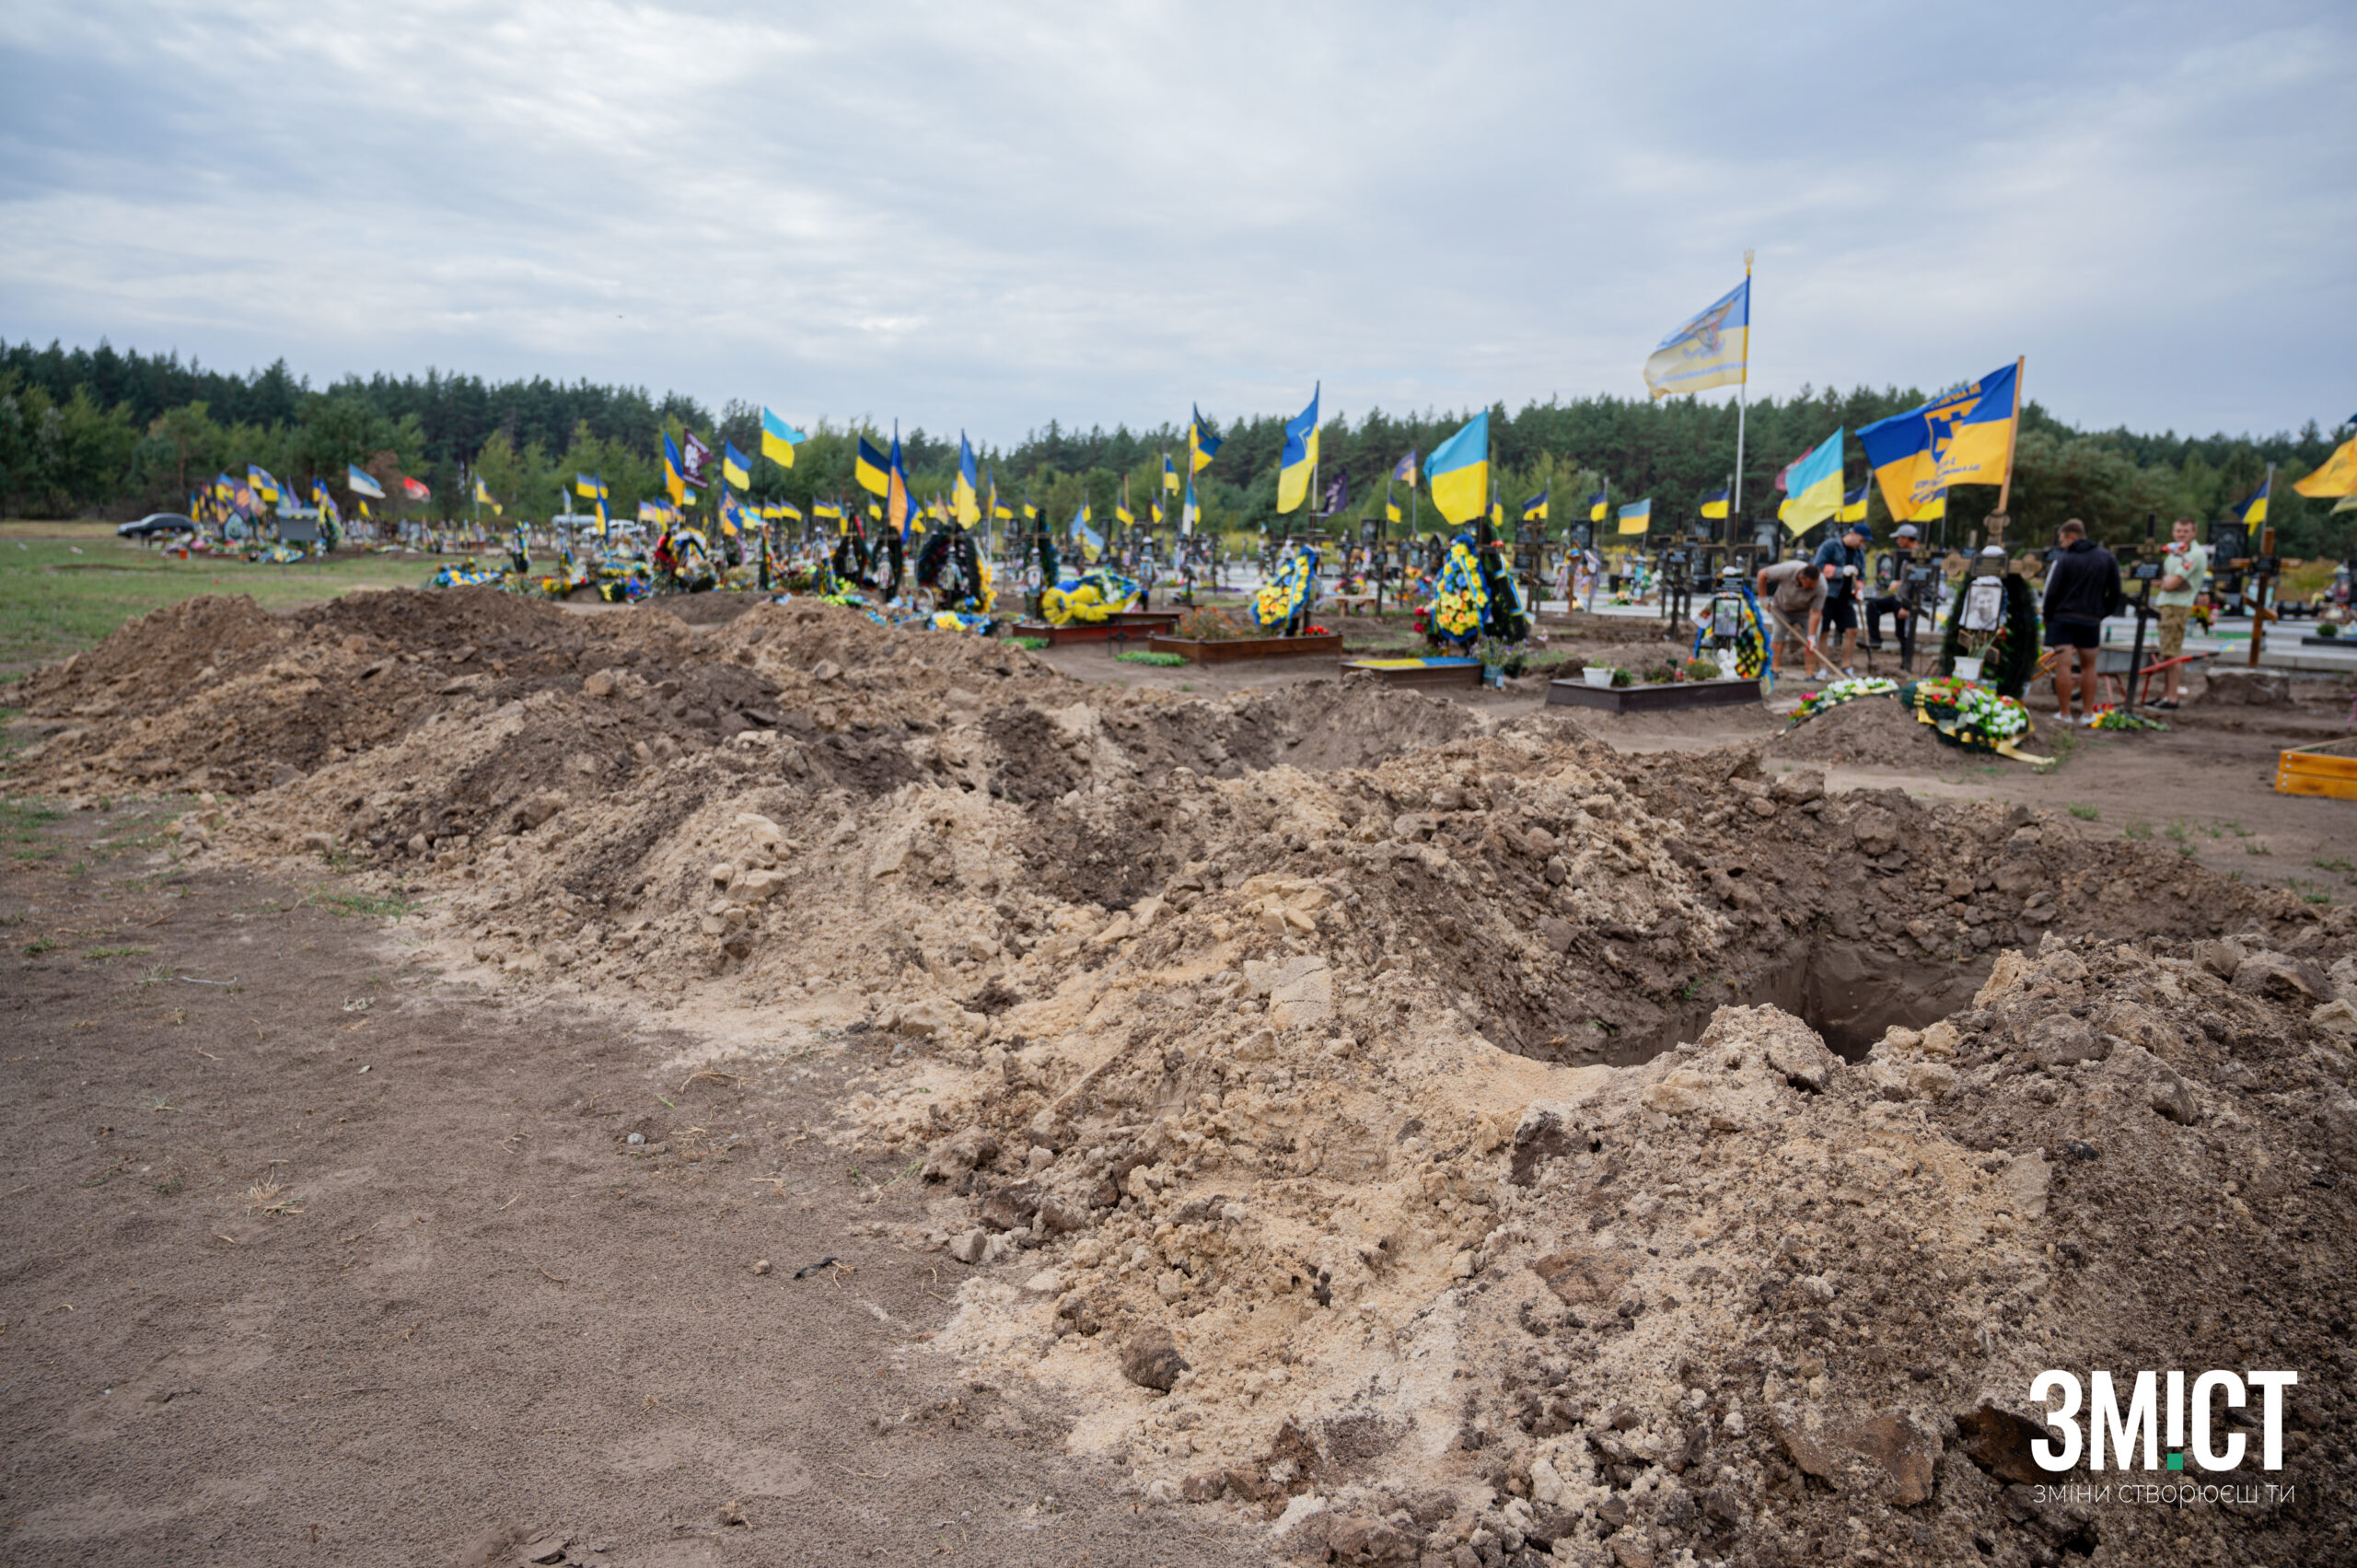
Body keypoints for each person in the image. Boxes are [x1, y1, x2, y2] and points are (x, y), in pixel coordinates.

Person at [2041, 518, 2124, 725]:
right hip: (2090, 619)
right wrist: (2101, 613)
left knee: (2063, 667)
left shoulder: (2065, 558)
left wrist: (2047, 616)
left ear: (2071, 537)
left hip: (2062, 619)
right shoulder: (2106, 558)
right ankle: (2087, 714)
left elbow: (2051, 592)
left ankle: (2064, 713)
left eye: (2062, 540)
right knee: (2089, 667)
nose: (2061, 545)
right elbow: (2115, 592)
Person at [2151, 517, 2210, 709]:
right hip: (2167, 603)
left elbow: (2171, 584)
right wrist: (2164, 582)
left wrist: (2164, 582)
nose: (2181, 534)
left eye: (2186, 531)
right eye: (2178, 531)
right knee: (2167, 652)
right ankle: (2165, 694)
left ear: (2194, 533)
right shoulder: (2176, 551)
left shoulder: (2195, 553)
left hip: (2177, 605)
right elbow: (2160, 580)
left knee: (2172, 653)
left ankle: (2172, 697)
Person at [1864, 523, 1928, 671]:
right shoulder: (1907, 555)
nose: (1898, 541)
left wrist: (1909, 607)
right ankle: (1875, 639)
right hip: (1899, 598)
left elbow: (1920, 585)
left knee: (1903, 633)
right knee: (1873, 605)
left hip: (1908, 601)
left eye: (1899, 538)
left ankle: (1906, 665)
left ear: (1906, 538)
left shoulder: (1919, 558)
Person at [1811, 522, 1871, 674]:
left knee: (1852, 630)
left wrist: (1859, 588)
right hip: (1827, 596)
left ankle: (1846, 666)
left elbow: (1861, 574)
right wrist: (1840, 571)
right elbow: (1817, 567)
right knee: (1824, 631)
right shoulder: (1830, 545)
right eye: (1861, 540)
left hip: (1846, 599)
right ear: (1853, 534)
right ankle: (1823, 667)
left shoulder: (1859, 553)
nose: (1861, 544)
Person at [1755, 558, 1827, 671]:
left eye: (1814, 585)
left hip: (1806, 613)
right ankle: (1774, 669)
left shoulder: (1821, 586)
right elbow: (1762, 574)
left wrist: (1811, 637)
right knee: (1778, 636)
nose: (1812, 587)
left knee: (1811, 645)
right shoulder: (1787, 570)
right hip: (1782, 609)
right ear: (1801, 577)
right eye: (1809, 585)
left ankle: (1809, 675)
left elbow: (1815, 613)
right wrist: (1763, 598)